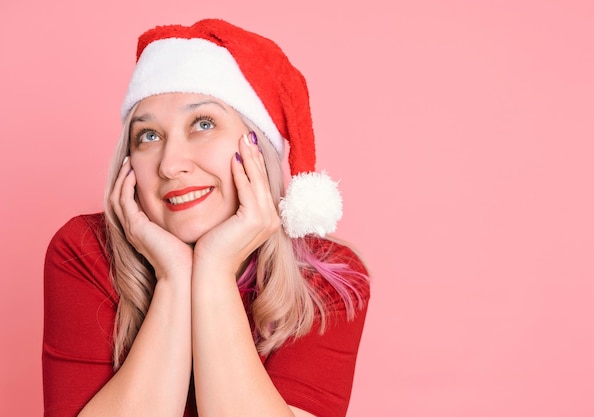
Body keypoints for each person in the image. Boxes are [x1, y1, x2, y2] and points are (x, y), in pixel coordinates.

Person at [42, 18, 370, 417]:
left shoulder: (328, 278)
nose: (170, 164)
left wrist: (213, 270)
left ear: (256, 145)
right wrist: (174, 275)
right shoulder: (84, 251)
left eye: (203, 124)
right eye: (148, 136)